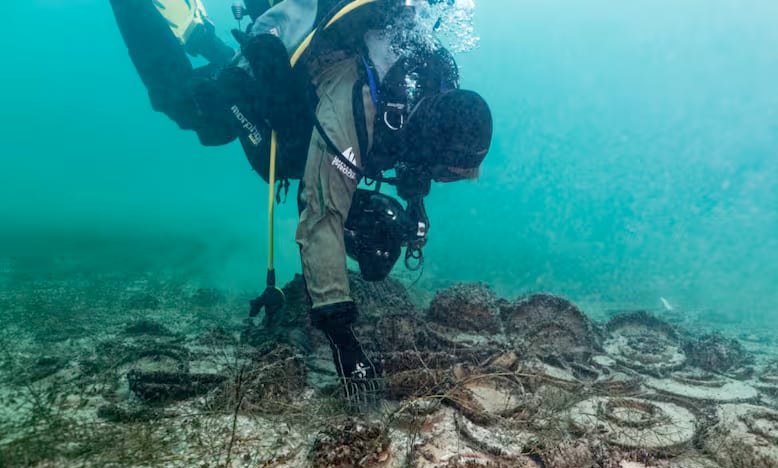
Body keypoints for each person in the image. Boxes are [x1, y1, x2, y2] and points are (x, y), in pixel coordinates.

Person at [109, 0, 494, 401]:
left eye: (454, 176)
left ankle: (208, 41)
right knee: (196, 109)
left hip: (315, 96)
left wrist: (415, 204)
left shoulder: (433, 80)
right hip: (288, 88)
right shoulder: (357, 105)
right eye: (447, 172)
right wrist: (342, 338)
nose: (445, 178)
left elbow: (420, 159)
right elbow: (321, 217)